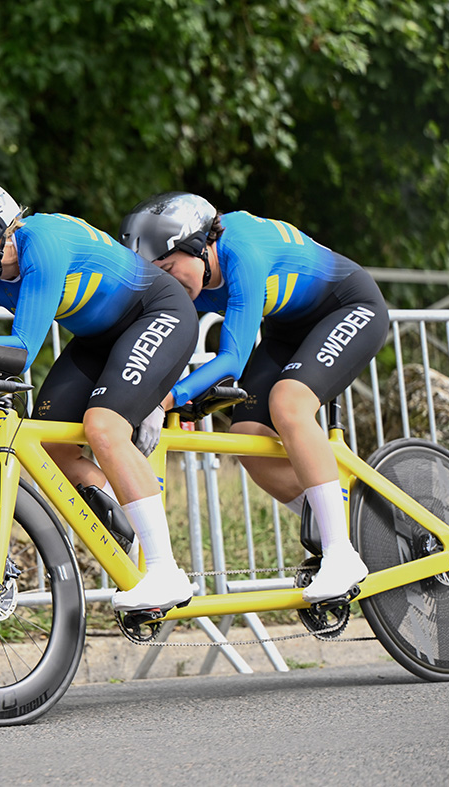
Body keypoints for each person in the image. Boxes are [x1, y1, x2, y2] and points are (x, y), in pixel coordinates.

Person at [0, 177, 201, 612]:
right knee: (49, 442)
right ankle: (124, 516)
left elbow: (21, 353)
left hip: (156, 313)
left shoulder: (43, 244)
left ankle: (167, 572)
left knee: (102, 427)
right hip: (98, 339)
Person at [119, 192, 390, 603]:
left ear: (200, 246)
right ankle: (338, 524)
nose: (168, 282)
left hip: (349, 307)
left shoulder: (239, 253)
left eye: (171, 268)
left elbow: (231, 360)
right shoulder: (194, 276)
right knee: (248, 435)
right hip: (290, 329)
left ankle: (341, 554)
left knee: (288, 404)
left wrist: (164, 401)